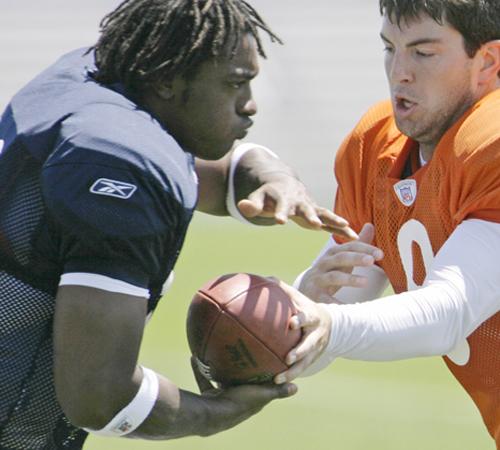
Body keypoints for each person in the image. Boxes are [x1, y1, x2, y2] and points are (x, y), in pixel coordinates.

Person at [0, 1, 356, 449]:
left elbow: (196, 166)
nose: (250, 106)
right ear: (166, 78)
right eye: (234, 84)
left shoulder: (94, 78)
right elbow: (99, 397)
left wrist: (274, 176)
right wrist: (217, 413)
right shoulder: (117, 164)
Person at [276, 0, 500, 447]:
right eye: (389, 47)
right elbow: (316, 338)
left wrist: (328, 324)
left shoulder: (491, 142)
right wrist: (295, 307)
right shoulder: (375, 148)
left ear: (487, 63)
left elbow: (446, 314)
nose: (400, 71)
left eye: (423, 52)